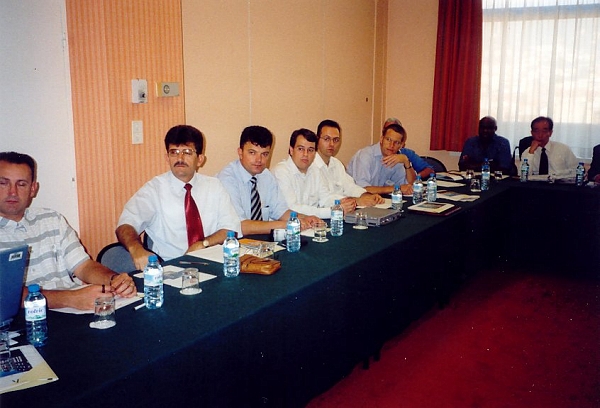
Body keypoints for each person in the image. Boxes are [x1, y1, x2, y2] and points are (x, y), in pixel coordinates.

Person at [0, 152, 136, 310]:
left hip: (72, 311)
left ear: (33, 189)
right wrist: (70, 299)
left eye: (21, 184)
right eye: (3, 183)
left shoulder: (51, 219)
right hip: (25, 317)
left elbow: (84, 266)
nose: (13, 192)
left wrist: (114, 280)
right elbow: (5, 295)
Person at [116, 125, 241, 270]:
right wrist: (136, 249)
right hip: (172, 268)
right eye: (174, 152)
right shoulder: (154, 190)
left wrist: (204, 243)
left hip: (213, 264)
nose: (180, 158)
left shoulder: (214, 186)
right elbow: (125, 225)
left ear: (200, 159)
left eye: (187, 152)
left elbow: (230, 229)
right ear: (167, 157)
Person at [217, 125, 320, 235]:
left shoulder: (266, 175)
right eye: (252, 153)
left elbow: (280, 211)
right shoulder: (227, 179)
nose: (259, 160)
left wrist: (305, 218)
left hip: (261, 240)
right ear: (240, 152)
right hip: (232, 241)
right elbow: (240, 225)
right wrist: (286, 225)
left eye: (264, 154)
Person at [272, 128, 353, 218]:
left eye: (310, 150)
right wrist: (333, 211)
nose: (305, 154)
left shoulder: (315, 170)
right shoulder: (281, 171)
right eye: (300, 149)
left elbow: (325, 198)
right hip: (287, 224)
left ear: (315, 153)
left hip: (311, 223)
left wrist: (344, 202)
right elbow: (292, 208)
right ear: (291, 150)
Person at [314, 119, 384, 207]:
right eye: (327, 139)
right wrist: (356, 201)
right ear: (317, 140)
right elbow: (324, 199)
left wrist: (367, 195)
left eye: (336, 140)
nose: (331, 144)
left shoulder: (336, 164)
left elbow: (350, 186)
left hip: (343, 210)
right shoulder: (311, 166)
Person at [347, 123, 415, 195]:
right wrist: (395, 188)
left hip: (378, 199)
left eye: (397, 142)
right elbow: (361, 189)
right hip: (354, 198)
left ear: (401, 146)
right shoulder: (365, 155)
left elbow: (409, 185)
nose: (391, 145)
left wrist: (406, 161)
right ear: (381, 139)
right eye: (388, 139)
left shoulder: (397, 159)